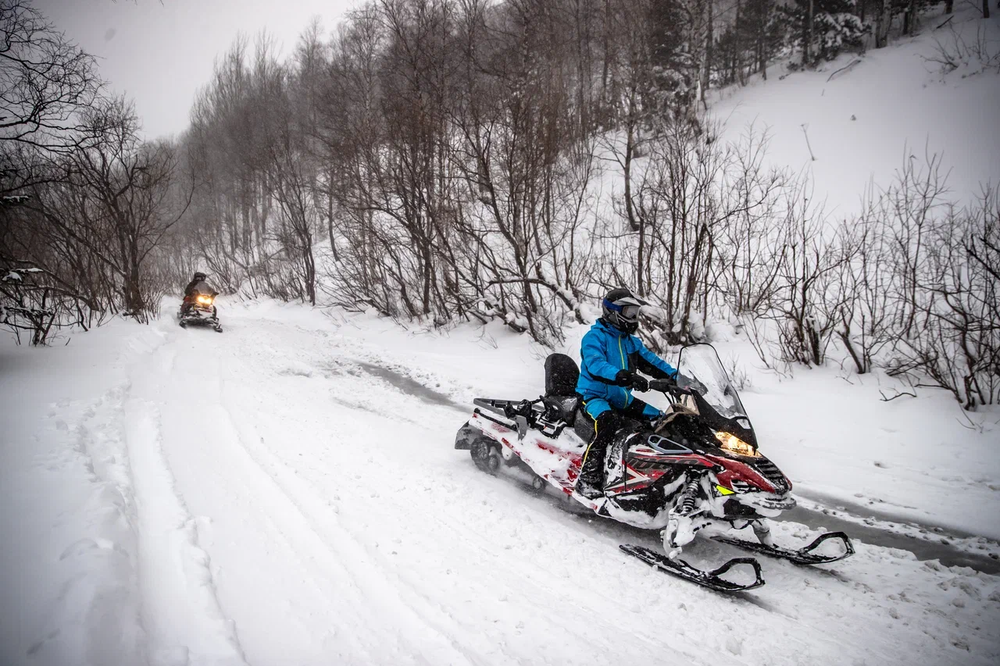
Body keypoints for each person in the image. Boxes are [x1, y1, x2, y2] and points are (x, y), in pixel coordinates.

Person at [574, 287, 679, 499]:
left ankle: (653, 475)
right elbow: (596, 365)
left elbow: (652, 362)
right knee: (608, 422)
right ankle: (588, 479)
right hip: (593, 397)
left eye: (635, 313)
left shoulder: (631, 342)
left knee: (661, 418)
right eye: (629, 313)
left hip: (621, 398)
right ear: (612, 312)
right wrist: (624, 376)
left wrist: (677, 377)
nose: (633, 318)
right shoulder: (595, 337)